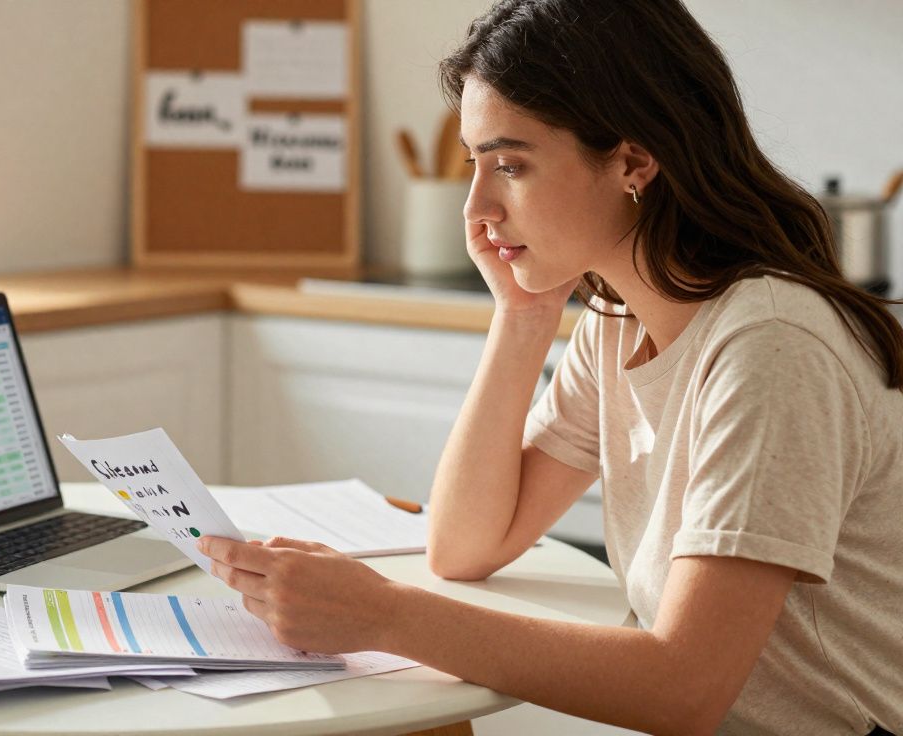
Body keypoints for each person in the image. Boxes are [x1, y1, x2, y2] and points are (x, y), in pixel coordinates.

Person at [198, 1, 903, 734]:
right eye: (474, 165)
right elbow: (465, 545)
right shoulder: (621, 321)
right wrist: (524, 315)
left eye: (510, 165)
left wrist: (383, 615)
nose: (476, 208)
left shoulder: (771, 347)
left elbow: (685, 689)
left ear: (633, 161)